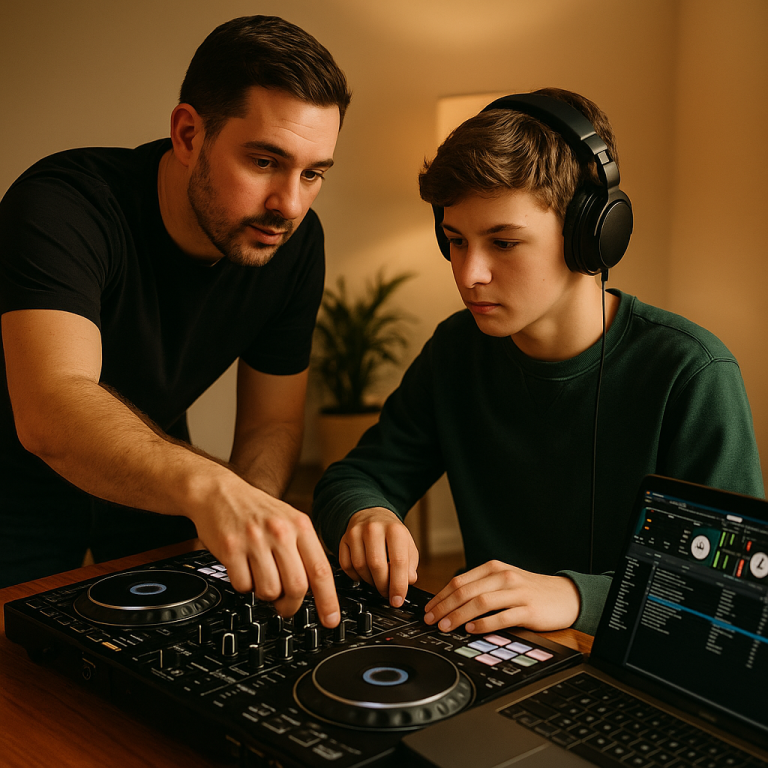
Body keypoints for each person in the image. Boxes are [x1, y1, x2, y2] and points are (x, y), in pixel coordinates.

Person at [312, 88, 764, 635]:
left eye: (503, 243)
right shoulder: (458, 348)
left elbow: (729, 592)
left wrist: (576, 597)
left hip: (626, 674)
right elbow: (354, 476)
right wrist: (369, 514)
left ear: (589, 236)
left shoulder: (692, 374)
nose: (469, 273)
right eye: (455, 240)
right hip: (491, 654)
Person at [0, 15, 350, 627]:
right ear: (189, 134)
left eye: (313, 172)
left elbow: (272, 421)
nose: (289, 205)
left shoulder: (294, 243)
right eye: (265, 161)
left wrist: (255, 509)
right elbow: (51, 407)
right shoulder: (62, 205)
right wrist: (214, 489)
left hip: (151, 472)